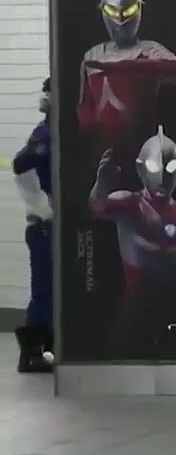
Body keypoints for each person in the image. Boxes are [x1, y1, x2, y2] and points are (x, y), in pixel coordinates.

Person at [89, 126, 176, 349]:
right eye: (155, 166)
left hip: (173, 307)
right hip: (134, 309)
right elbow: (97, 208)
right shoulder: (131, 204)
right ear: (141, 169)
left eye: (170, 167)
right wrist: (101, 186)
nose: (163, 177)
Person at [77, 0, 176, 194]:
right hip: (104, 149)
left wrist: (121, 68)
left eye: (127, 12)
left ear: (139, 9)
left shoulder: (150, 50)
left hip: (143, 149)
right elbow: (85, 107)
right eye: (113, 12)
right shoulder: (93, 55)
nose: (120, 19)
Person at [12, 78, 54, 373]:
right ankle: (32, 353)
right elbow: (21, 165)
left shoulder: (58, 131)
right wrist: (44, 209)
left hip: (49, 226)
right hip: (44, 227)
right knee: (45, 289)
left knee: (52, 289)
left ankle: (48, 345)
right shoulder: (45, 134)